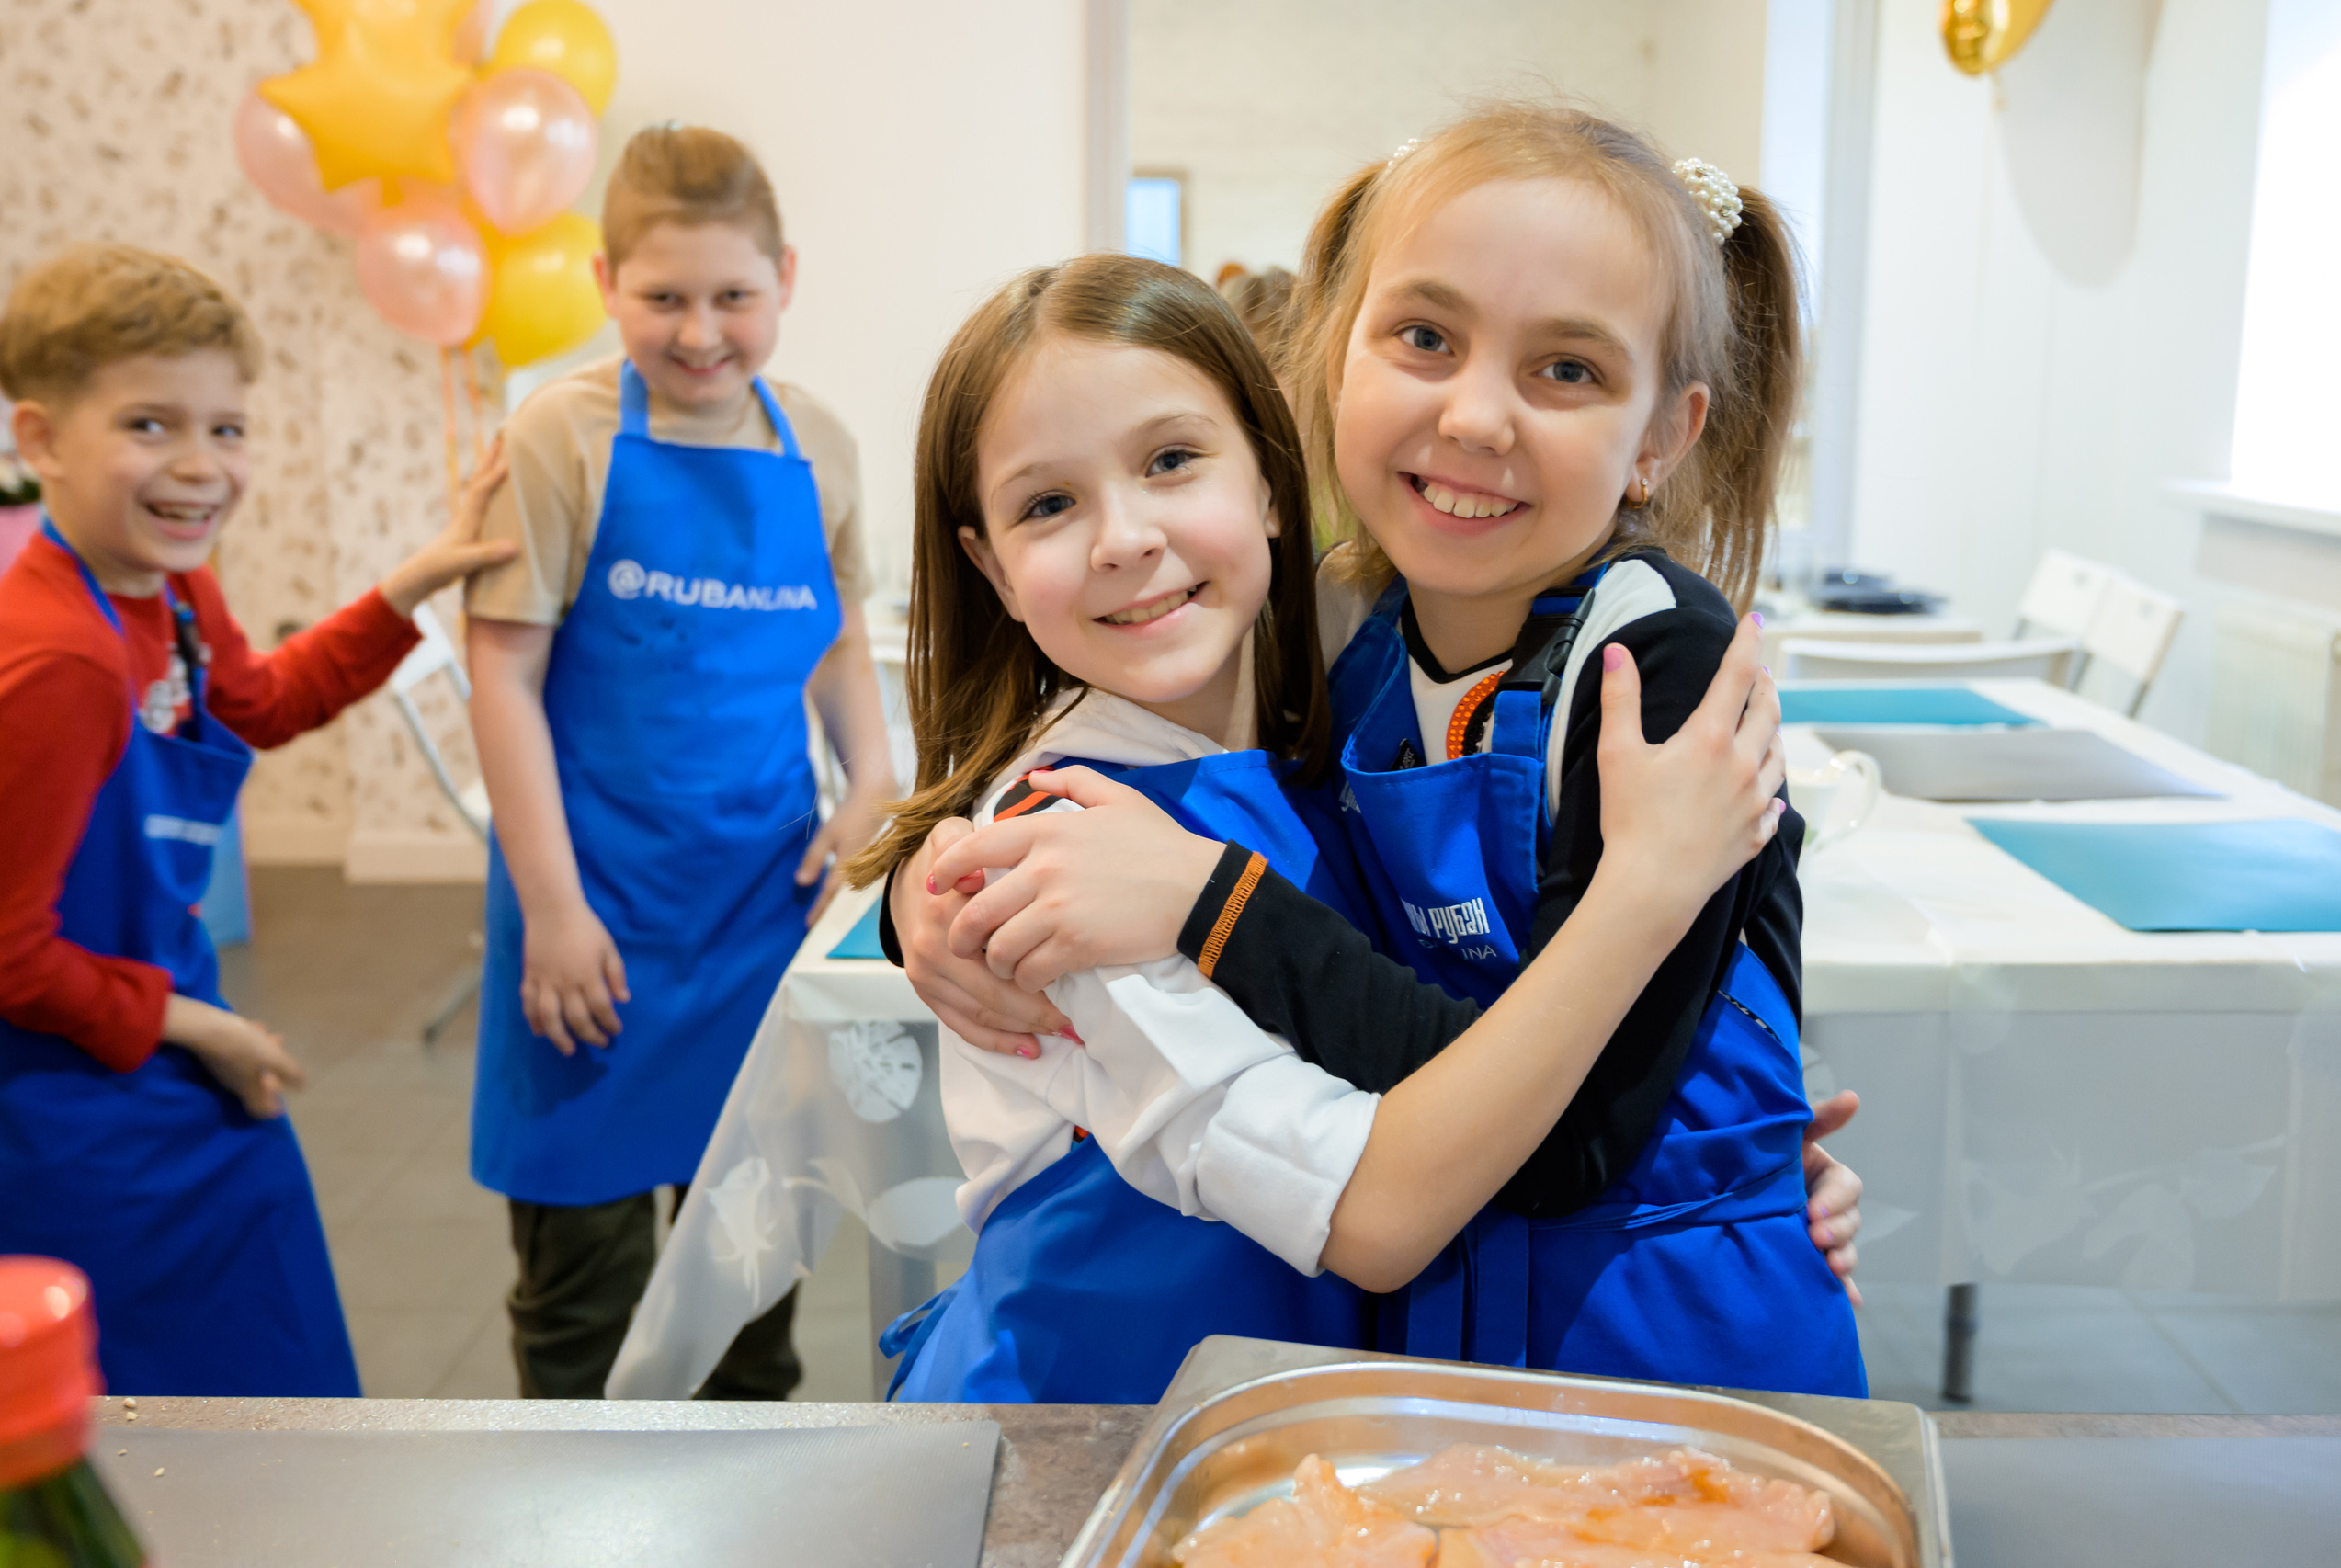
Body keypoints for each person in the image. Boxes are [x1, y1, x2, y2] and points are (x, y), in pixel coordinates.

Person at [898, 104, 1869, 1393]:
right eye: (1424, 337)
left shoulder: (1366, 640)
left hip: (1528, 1339)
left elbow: (1585, 1104)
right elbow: (1386, 1197)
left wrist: (1729, 1148)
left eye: (1174, 460)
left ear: (1262, 474)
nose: (1127, 538)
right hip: (1115, 1410)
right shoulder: (1079, 844)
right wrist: (925, 893)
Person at [0, 244, 513, 1394]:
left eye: (226, 428)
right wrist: (202, 1027)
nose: (200, 467)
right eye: (149, 425)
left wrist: (414, 581)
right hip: (71, 1103)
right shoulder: (57, 660)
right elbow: (8, 953)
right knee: (172, 1411)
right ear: (39, 441)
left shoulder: (171, 588)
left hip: (156, 1039)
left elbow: (261, 702)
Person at [463, 124, 893, 1401]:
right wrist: (549, 908)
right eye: (663, 298)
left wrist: (869, 784)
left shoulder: (815, 443)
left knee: (748, 1284)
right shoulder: (561, 438)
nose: (701, 332)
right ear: (604, 286)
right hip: (589, 916)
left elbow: (840, 642)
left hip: (759, 914)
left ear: (786, 280)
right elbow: (502, 674)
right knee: (581, 1292)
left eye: (733, 297)